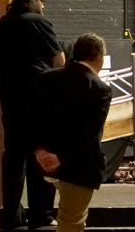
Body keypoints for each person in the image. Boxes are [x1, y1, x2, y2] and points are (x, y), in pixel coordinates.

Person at [0, 0, 64, 229]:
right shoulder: (39, 21)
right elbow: (59, 59)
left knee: (14, 156)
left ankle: (10, 215)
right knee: (40, 153)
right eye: (41, 1)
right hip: (38, 96)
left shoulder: (1, 25)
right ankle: (40, 214)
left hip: (10, 97)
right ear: (32, 1)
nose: (43, 5)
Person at [33, 33, 112, 232]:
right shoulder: (100, 89)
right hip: (79, 168)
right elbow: (90, 134)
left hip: (41, 164)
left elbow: (32, 118)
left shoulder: (46, 78)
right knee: (71, 224)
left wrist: (39, 151)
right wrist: (61, 158)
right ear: (98, 57)